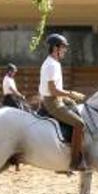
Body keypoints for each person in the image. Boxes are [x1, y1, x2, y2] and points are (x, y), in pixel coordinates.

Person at [39, 33, 88, 171]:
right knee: (79, 124)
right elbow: (53, 90)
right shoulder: (51, 65)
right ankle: (74, 162)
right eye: (63, 47)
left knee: (75, 108)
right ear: (55, 48)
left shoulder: (53, 63)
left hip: (56, 99)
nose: (65, 50)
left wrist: (69, 98)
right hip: (52, 103)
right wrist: (71, 93)